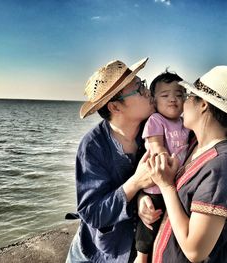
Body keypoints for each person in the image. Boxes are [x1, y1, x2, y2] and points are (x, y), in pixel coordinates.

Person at [139, 65, 227, 262]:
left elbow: (194, 251)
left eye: (189, 95)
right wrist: (143, 197)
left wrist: (166, 187)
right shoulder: (195, 146)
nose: (182, 102)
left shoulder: (222, 167)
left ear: (203, 105)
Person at [65, 57, 159, 262]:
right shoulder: (92, 147)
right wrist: (135, 184)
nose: (148, 92)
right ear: (115, 107)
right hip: (99, 254)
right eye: (140, 88)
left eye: (144, 84)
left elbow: (187, 122)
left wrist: (226, 129)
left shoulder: (154, 130)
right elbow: (91, 212)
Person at [134, 70, 190, 263]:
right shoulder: (156, 120)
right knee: (149, 224)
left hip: (175, 185)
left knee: (170, 226)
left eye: (179, 95)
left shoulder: (185, 123)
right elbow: (156, 144)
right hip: (156, 184)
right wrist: (163, 155)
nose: (173, 99)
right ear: (154, 101)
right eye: (165, 95)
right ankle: (141, 257)